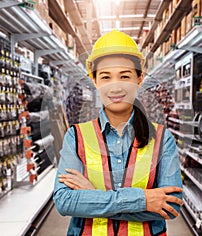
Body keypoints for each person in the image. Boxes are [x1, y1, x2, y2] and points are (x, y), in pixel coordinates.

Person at [53, 30, 183, 236]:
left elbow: (170, 206)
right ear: (95, 80)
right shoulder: (76, 137)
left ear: (139, 79)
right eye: (106, 77)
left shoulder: (161, 139)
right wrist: (143, 201)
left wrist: (93, 197)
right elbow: (65, 202)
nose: (115, 86)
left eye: (125, 76)